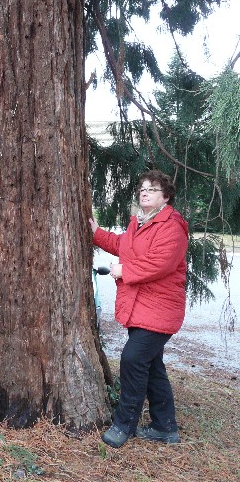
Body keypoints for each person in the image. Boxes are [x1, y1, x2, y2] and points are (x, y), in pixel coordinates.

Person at [89, 170, 188, 448]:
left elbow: (160, 263)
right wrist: (96, 233)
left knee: (133, 360)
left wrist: (124, 270)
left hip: (160, 309)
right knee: (153, 366)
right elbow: (123, 245)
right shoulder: (140, 223)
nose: (145, 192)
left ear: (165, 197)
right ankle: (164, 428)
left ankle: (124, 424)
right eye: (142, 188)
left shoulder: (172, 226)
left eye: (152, 189)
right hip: (140, 307)